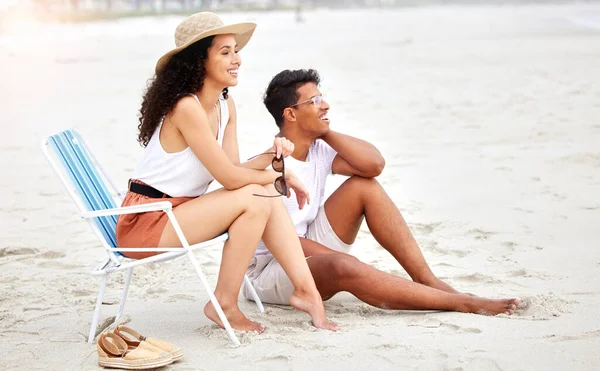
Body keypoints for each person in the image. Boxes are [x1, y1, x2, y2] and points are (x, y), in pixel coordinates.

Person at [115, 14, 338, 333]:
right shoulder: (186, 107)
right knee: (258, 197)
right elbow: (233, 181)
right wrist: (280, 178)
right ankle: (225, 303)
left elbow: (231, 171)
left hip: (177, 211)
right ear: (199, 61)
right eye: (225, 52)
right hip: (146, 222)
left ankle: (308, 293)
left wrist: (270, 159)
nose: (237, 59)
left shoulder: (225, 103)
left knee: (263, 197)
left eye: (236, 51)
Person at [243, 69, 520, 316]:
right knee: (345, 267)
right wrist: (339, 260)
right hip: (270, 267)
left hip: (307, 241)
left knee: (364, 187)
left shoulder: (317, 150)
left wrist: (323, 131)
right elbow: (280, 240)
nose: (325, 105)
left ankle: (426, 279)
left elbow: (373, 165)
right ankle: (461, 303)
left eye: (322, 98)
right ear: (290, 114)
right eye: (314, 101)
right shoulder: (274, 164)